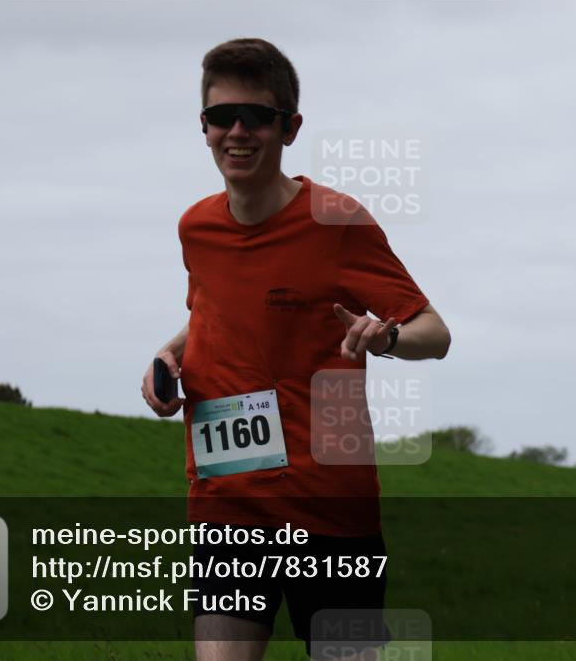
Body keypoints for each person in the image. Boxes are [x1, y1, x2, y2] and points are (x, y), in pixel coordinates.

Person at [141, 38, 451, 661]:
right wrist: (170, 356)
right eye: (221, 116)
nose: (237, 132)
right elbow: (210, 309)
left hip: (329, 508)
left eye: (256, 116)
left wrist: (386, 336)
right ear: (203, 126)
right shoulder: (196, 227)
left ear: (290, 127)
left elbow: (435, 333)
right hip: (228, 504)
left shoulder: (336, 221)